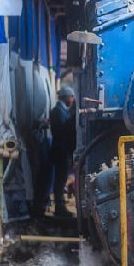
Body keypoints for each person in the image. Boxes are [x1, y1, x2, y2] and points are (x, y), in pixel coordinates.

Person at [43, 86, 77, 218]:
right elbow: (65, 131)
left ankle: (60, 206)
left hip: (61, 150)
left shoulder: (60, 110)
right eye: (72, 97)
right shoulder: (59, 111)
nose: (72, 100)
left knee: (61, 180)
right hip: (61, 151)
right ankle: (60, 208)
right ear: (67, 97)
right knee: (60, 181)